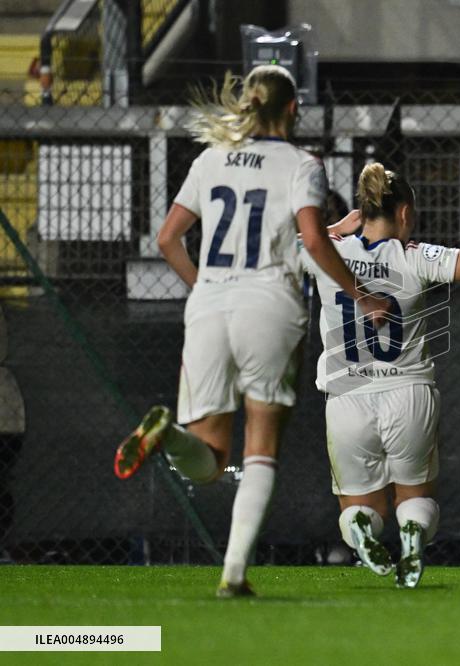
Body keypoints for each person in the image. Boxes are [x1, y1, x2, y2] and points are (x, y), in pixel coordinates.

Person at [113, 65, 386, 597]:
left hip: (210, 304)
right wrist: (360, 293)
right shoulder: (303, 164)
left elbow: (169, 238)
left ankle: (166, 435)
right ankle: (234, 574)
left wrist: (204, 286)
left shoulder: (209, 158)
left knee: (209, 460)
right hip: (270, 305)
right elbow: (309, 237)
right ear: (292, 108)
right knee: (261, 444)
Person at [303, 162, 460, 588]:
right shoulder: (414, 256)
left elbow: (295, 242)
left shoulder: (327, 252)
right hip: (408, 393)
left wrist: (338, 225)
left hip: (346, 397)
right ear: (406, 213)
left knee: (358, 507)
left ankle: (360, 531)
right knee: (415, 497)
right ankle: (411, 535)